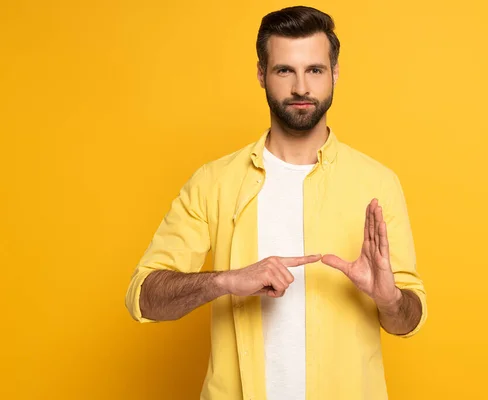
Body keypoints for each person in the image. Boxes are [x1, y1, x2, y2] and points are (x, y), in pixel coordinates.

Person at [125, 5, 427, 400]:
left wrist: (389, 299)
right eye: (285, 70)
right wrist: (227, 280)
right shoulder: (214, 182)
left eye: (315, 70)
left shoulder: (377, 183)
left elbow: (408, 318)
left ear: (335, 73)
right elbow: (144, 296)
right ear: (261, 74)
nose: (301, 87)